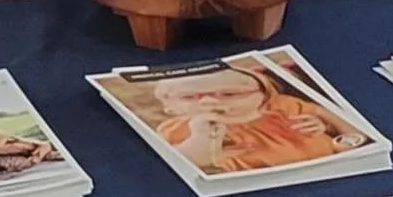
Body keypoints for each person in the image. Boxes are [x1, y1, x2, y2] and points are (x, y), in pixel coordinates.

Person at [148, 64, 355, 173]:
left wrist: (330, 126)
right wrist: (202, 136)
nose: (208, 102)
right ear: (170, 107)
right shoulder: (181, 127)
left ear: (264, 93)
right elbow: (189, 162)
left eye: (229, 94)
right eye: (189, 97)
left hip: (327, 159)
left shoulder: (281, 106)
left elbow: (323, 112)